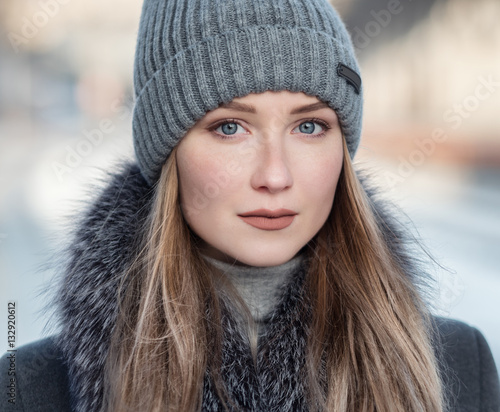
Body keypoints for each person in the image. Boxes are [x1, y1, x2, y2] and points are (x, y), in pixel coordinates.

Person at [1, 0, 499, 411]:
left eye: (309, 126)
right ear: (168, 150)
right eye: (229, 127)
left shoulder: (460, 367)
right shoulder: (27, 390)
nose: (275, 176)